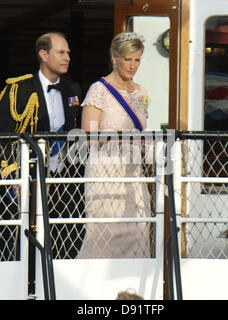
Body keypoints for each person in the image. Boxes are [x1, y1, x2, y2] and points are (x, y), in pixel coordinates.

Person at [0, 32, 85, 261]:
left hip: (63, 180)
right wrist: (13, 176)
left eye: (68, 53)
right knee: (23, 239)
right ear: (43, 54)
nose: (67, 58)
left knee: (63, 237)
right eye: (61, 52)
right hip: (27, 178)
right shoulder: (19, 90)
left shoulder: (73, 90)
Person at [77, 32, 152, 259]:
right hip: (104, 171)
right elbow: (90, 136)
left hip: (133, 172)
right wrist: (124, 140)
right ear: (114, 57)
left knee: (139, 231)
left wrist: (145, 147)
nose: (132, 66)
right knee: (103, 235)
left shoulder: (141, 92)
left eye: (137, 60)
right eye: (127, 59)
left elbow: (141, 131)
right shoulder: (98, 90)